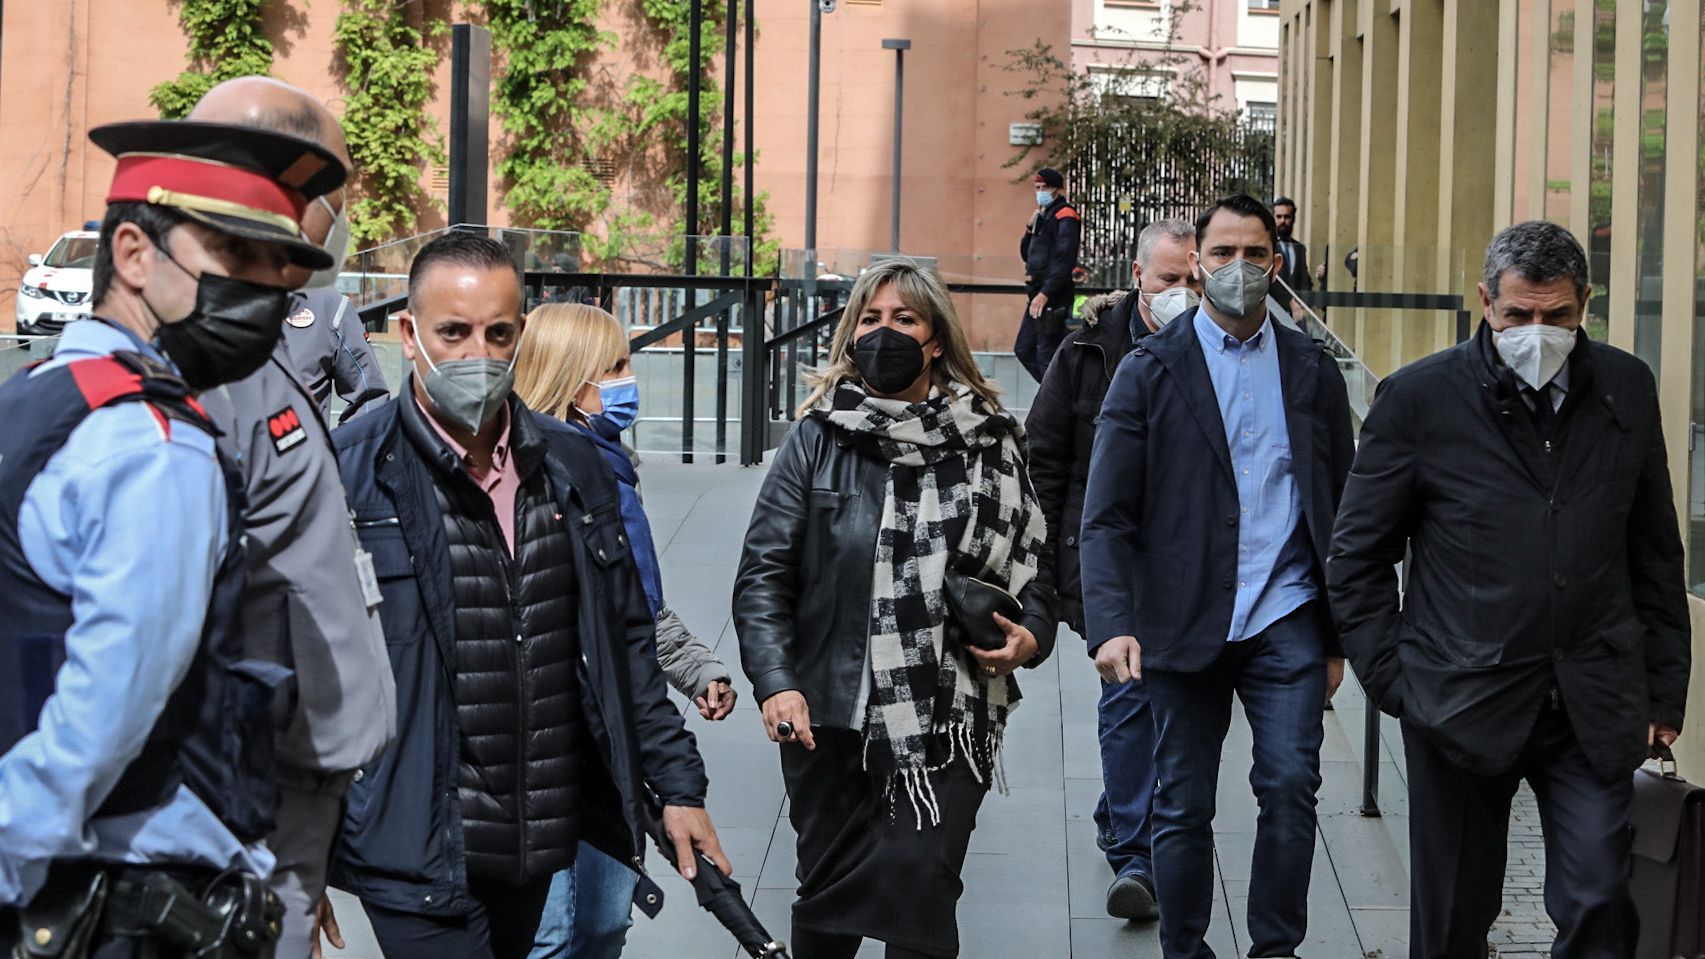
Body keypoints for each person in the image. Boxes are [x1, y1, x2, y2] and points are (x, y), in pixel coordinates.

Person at [322, 232, 729, 959]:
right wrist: (290, 846)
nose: (476, 354)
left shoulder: (571, 466)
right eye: (453, 332)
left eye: (497, 333)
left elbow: (626, 643)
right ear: (407, 333)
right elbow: (299, 665)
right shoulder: (351, 472)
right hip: (410, 842)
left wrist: (678, 785)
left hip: (534, 830)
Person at [0, 118, 347, 955]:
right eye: (235, 257)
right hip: (108, 894)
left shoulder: (38, 396)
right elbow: (107, 705)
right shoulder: (160, 445)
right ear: (131, 254)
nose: (266, 290)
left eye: (279, 267)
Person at [1327, 220, 1691, 959]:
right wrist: (1395, 680)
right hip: (1455, 700)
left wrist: (1663, 692)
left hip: (1590, 698)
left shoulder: (1625, 386)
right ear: (1485, 302)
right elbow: (1357, 555)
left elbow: (1653, 547)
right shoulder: (1418, 399)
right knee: (1453, 917)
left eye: (1556, 315)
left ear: (1584, 302)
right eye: (1517, 314)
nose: (1536, 331)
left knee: (1599, 900)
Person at [734, 260, 1058, 959]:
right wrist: (775, 680)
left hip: (949, 707)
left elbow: (1036, 559)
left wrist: (1031, 633)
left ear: (935, 336)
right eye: (870, 320)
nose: (885, 334)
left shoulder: (992, 439)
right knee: (828, 891)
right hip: (830, 710)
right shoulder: (817, 438)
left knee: (920, 879)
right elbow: (763, 572)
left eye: (903, 320)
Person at [1079, 194, 1355, 959]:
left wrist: (1338, 636)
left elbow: (1341, 509)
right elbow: (1105, 516)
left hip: (1285, 616)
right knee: (1180, 802)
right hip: (1179, 619)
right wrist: (1111, 624)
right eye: (1223, 253)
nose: (1239, 268)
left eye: (1255, 254)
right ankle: (1185, 947)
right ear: (1197, 263)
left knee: (1291, 787)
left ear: (1277, 262)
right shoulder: (1147, 370)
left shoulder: (1310, 368)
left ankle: (1274, 948)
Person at [180, 76, 399, 959]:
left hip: (284, 807)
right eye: (331, 201)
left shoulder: (268, 350)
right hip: (230, 812)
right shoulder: (197, 370)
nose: (335, 226)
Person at [513, 302, 738, 959]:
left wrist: (695, 665)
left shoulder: (611, 472)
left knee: (603, 920)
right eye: (612, 366)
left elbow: (632, 610)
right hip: (537, 744)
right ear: (568, 375)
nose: (626, 379)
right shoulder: (523, 475)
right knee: (548, 932)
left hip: (607, 742)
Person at [1024, 218, 1200, 924]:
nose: (1182, 293)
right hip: (1107, 559)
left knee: (1169, 700)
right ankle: (1137, 855)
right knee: (1128, 693)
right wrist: (1047, 563)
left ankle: (1119, 808)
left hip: (1190, 561)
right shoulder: (1087, 351)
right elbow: (1045, 457)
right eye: (1168, 279)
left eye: (1193, 279)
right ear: (1137, 276)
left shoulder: (1222, 353)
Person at [1016, 167, 1081, 382]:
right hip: (1037, 294)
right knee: (1024, 349)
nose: (1040, 192)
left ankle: (1055, 404)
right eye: (1037, 188)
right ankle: (1055, 396)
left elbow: (1065, 259)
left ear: (1056, 189)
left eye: (1044, 187)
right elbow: (1028, 254)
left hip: (1052, 295)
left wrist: (1046, 293)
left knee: (1046, 353)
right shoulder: (1044, 215)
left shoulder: (1066, 215)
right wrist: (1029, 227)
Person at [1270, 197, 1312, 318]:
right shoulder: (1269, 246)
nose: (1283, 221)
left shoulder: (1300, 248)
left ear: (1293, 219)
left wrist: (1303, 305)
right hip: (1274, 312)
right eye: (1279, 217)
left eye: (1287, 217)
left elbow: (1304, 280)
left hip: (1297, 315)